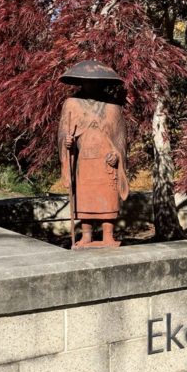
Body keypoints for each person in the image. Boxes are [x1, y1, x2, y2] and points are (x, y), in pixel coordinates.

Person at [57, 60, 129, 248]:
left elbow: (120, 137)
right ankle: (86, 235)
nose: (92, 84)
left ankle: (108, 235)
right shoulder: (71, 104)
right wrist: (67, 142)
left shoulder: (113, 106)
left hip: (106, 160)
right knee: (84, 196)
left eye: (96, 81)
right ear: (81, 82)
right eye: (88, 81)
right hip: (84, 160)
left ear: (103, 83)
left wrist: (117, 154)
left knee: (108, 196)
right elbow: (64, 131)